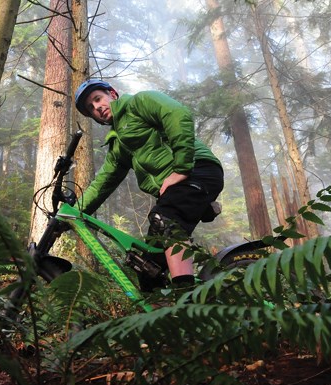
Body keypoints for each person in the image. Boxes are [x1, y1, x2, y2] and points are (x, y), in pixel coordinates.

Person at [74, 79, 224, 291]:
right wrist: (74, 213)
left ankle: (186, 300)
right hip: (174, 192)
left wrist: (181, 168)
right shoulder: (118, 147)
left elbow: (177, 114)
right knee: (148, 266)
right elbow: (102, 183)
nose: (97, 108)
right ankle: (162, 317)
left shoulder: (139, 103)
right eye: (91, 108)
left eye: (97, 99)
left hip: (198, 170)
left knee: (166, 219)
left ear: (113, 94)